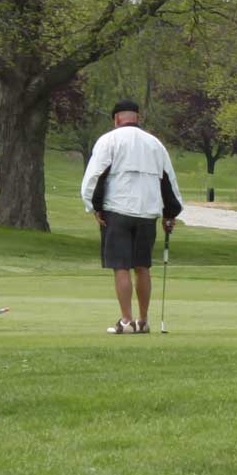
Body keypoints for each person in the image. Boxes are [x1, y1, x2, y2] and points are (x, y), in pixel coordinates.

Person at [81, 100, 183, 334]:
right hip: (147, 214)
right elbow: (169, 181)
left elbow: (94, 177)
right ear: (137, 117)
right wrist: (170, 213)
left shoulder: (109, 140)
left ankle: (126, 321)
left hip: (117, 210)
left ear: (116, 119)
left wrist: (94, 207)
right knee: (142, 267)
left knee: (121, 267)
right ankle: (143, 320)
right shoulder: (155, 144)